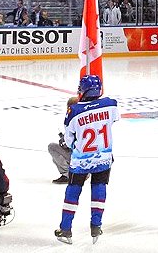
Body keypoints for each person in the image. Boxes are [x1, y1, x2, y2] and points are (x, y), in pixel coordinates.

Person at [55, 74, 117, 245]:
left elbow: (68, 140)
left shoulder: (74, 111)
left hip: (81, 160)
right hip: (104, 157)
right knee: (99, 189)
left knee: (73, 192)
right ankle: (96, 226)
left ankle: (65, 229)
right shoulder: (111, 104)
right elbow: (112, 120)